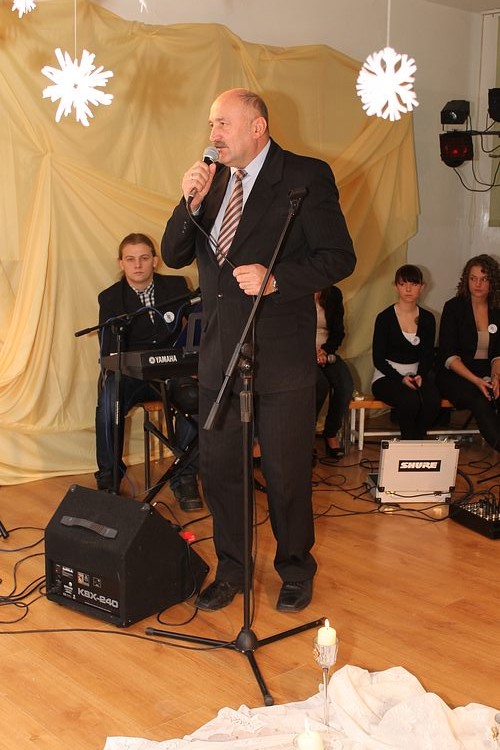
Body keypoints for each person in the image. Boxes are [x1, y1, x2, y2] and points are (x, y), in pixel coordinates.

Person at [161, 88, 355, 613]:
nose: (213, 134)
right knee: (222, 472)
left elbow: (339, 256)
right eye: (211, 125)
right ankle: (233, 570)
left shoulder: (304, 176)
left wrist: (277, 278)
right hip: (219, 355)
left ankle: (295, 568)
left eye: (222, 123)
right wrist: (189, 201)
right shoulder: (212, 181)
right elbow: (173, 254)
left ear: (257, 126)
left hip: (282, 358)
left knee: (287, 475)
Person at [95, 232, 203, 511]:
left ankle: (184, 476)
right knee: (108, 400)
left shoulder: (178, 286)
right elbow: (108, 351)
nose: (138, 265)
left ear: (155, 260)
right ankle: (109, 477)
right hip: (133, 376)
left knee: (197, 398)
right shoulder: (110, 298)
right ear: (121, 263)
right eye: (130, 259)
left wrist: (194, 361)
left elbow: (198, 327)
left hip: (172, 371)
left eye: (144, 258)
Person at [436, 254, 500, 451]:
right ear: (466, 280)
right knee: (480, 399)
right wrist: (477, 381)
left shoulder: (497, 309)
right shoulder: (453, 307)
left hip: (486, 371)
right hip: (456, 374)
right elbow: (448, 355)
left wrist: (496, 377)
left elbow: (498, 353)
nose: (478, 284)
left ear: (492, 282)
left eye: (483, 279)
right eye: (473, 278)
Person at [371, 264, 441, 439]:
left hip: (416, 375)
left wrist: (420, 375)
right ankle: (409, 443)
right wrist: (401, 378)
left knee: (432, 399)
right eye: (403, 284)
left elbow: (427, 355)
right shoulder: (384, 318)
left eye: (414, 284)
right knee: (409, 400)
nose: (408, 289)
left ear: (422, 287)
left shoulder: (428, 318)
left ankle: (417, 440)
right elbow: (378, 359)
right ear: (395, 286)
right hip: (386, 377)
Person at [315, 286, 353, 458]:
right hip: (299, 353)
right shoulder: (296, 289)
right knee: (319, 385)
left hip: (326, 351)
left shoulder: (333, 293)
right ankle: (305, 436)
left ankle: (330, 433)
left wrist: (324, 351)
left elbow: (338, 332)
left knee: (345, 385)